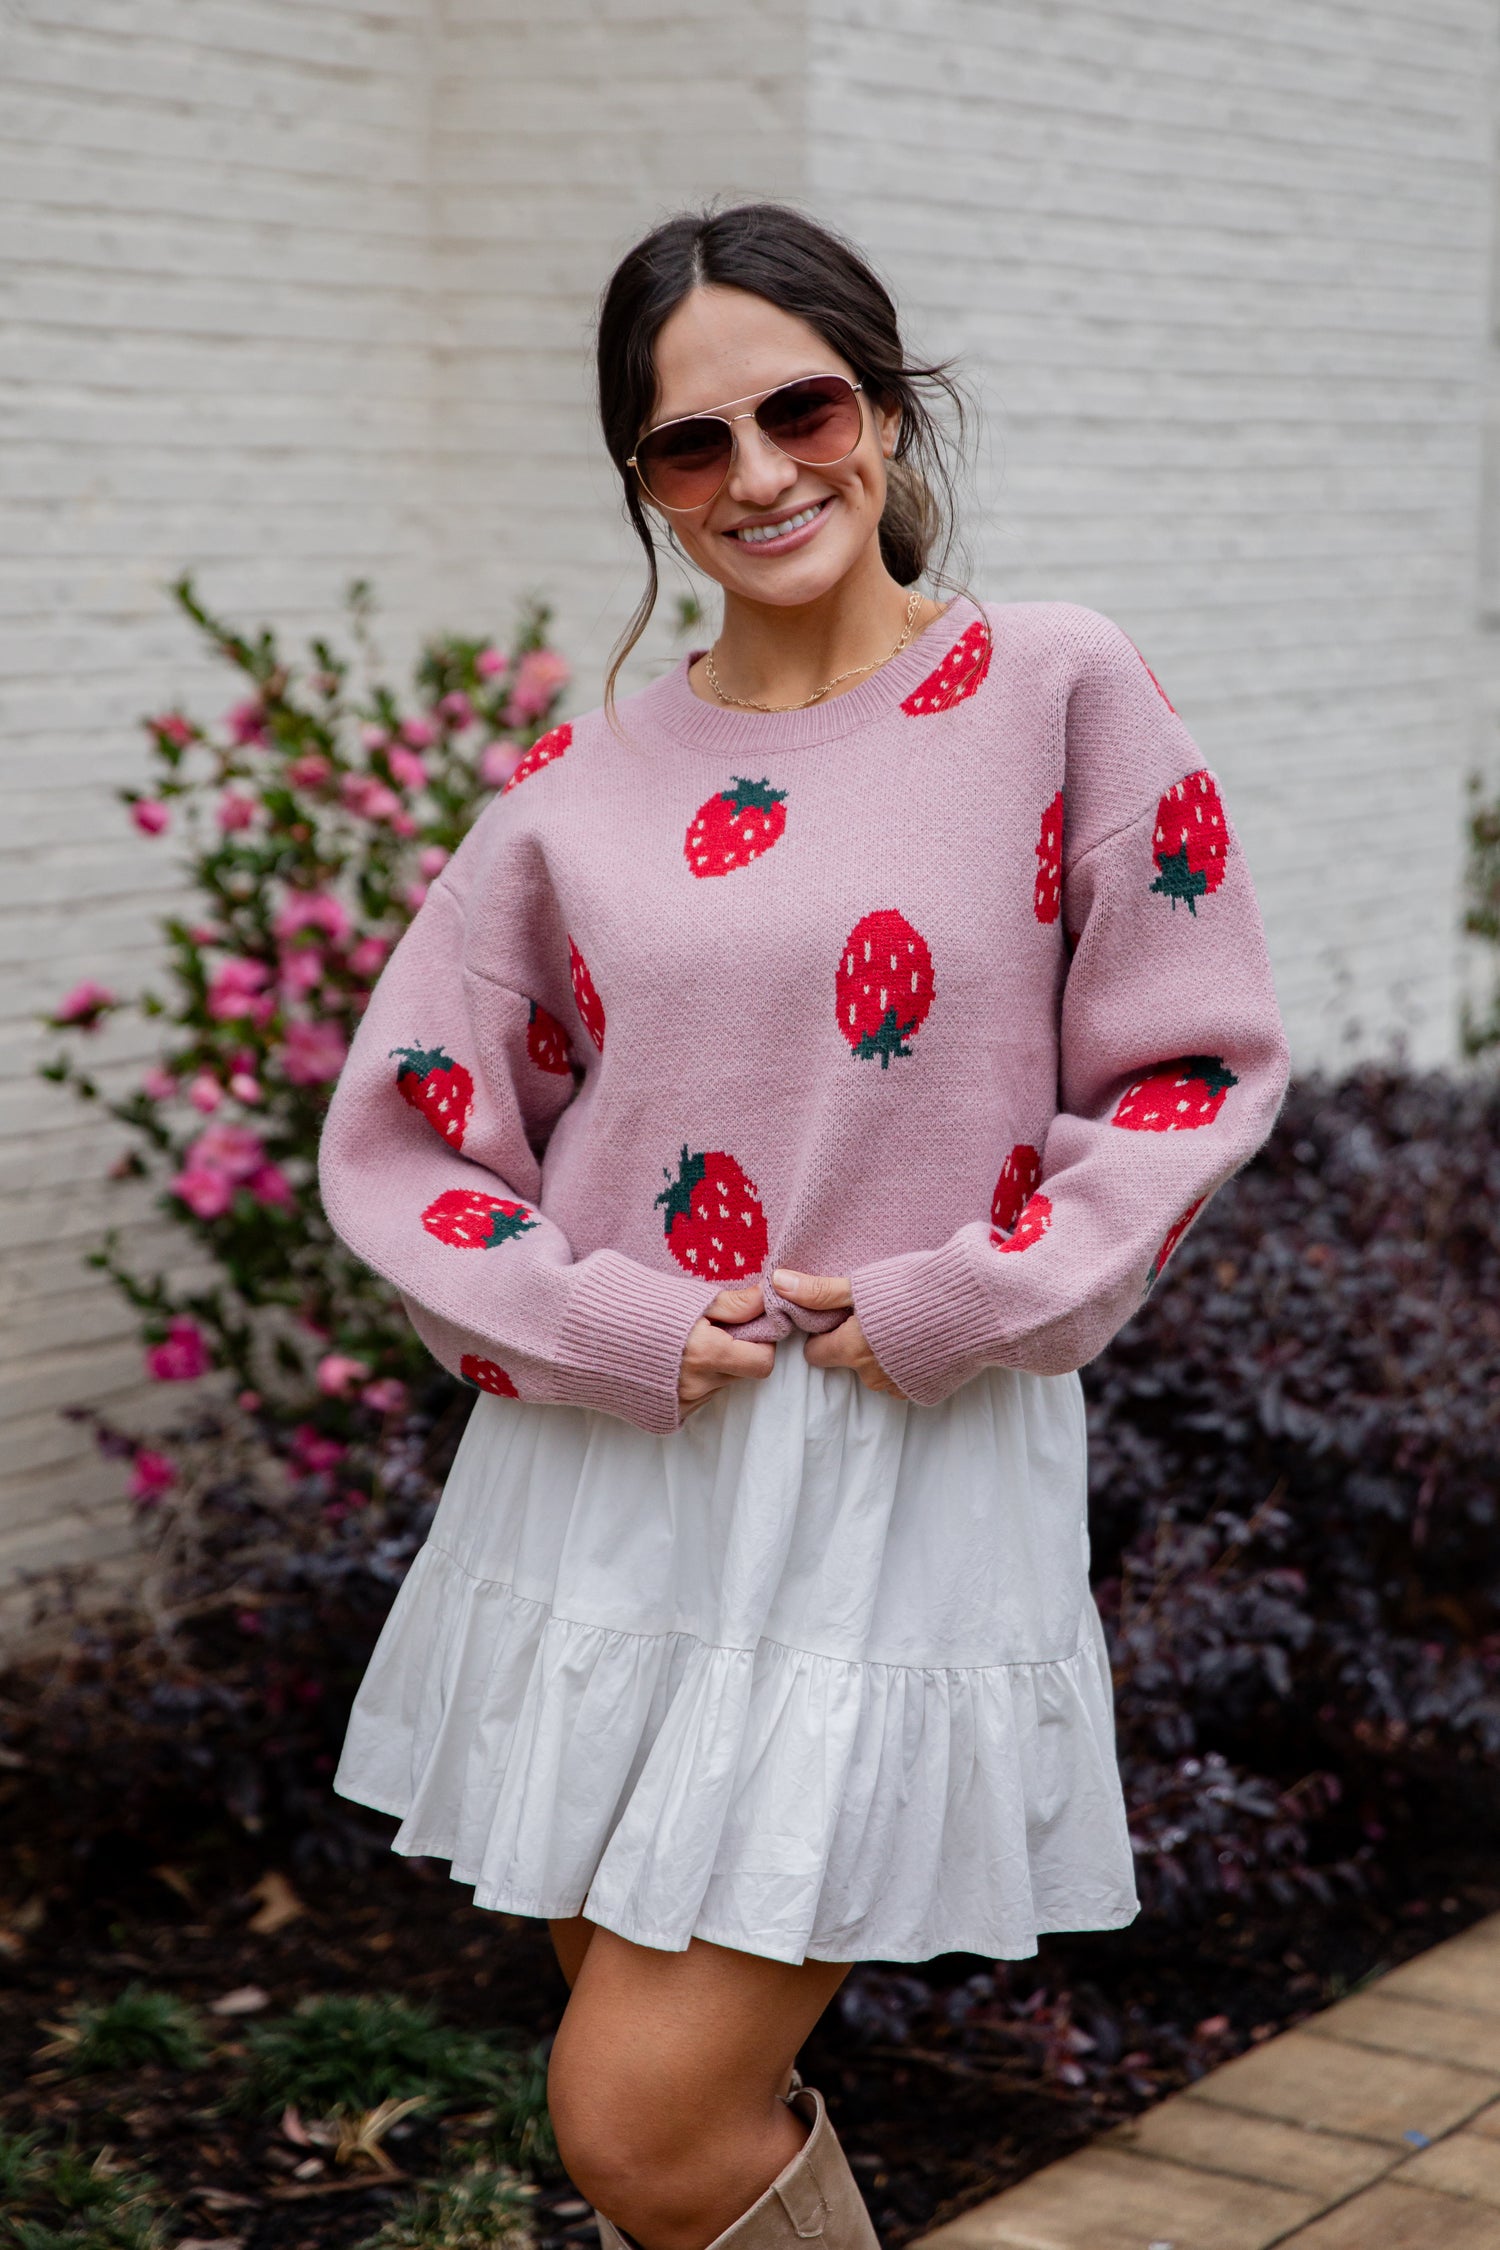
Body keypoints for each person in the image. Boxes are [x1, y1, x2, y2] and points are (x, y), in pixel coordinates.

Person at [318, 201, 1291, 2250]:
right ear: (644, 482)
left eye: (800, 408)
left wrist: (966, 1294)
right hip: (608, 1478)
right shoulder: (577, 786)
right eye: (693, 443)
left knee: (641, 2122)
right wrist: (596, 1324)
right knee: (693, 2123)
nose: (758, 474)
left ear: (882, 405)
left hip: (895, 1477)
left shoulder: (1057, 687)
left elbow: (1189, 1064)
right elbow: (412, 1138)